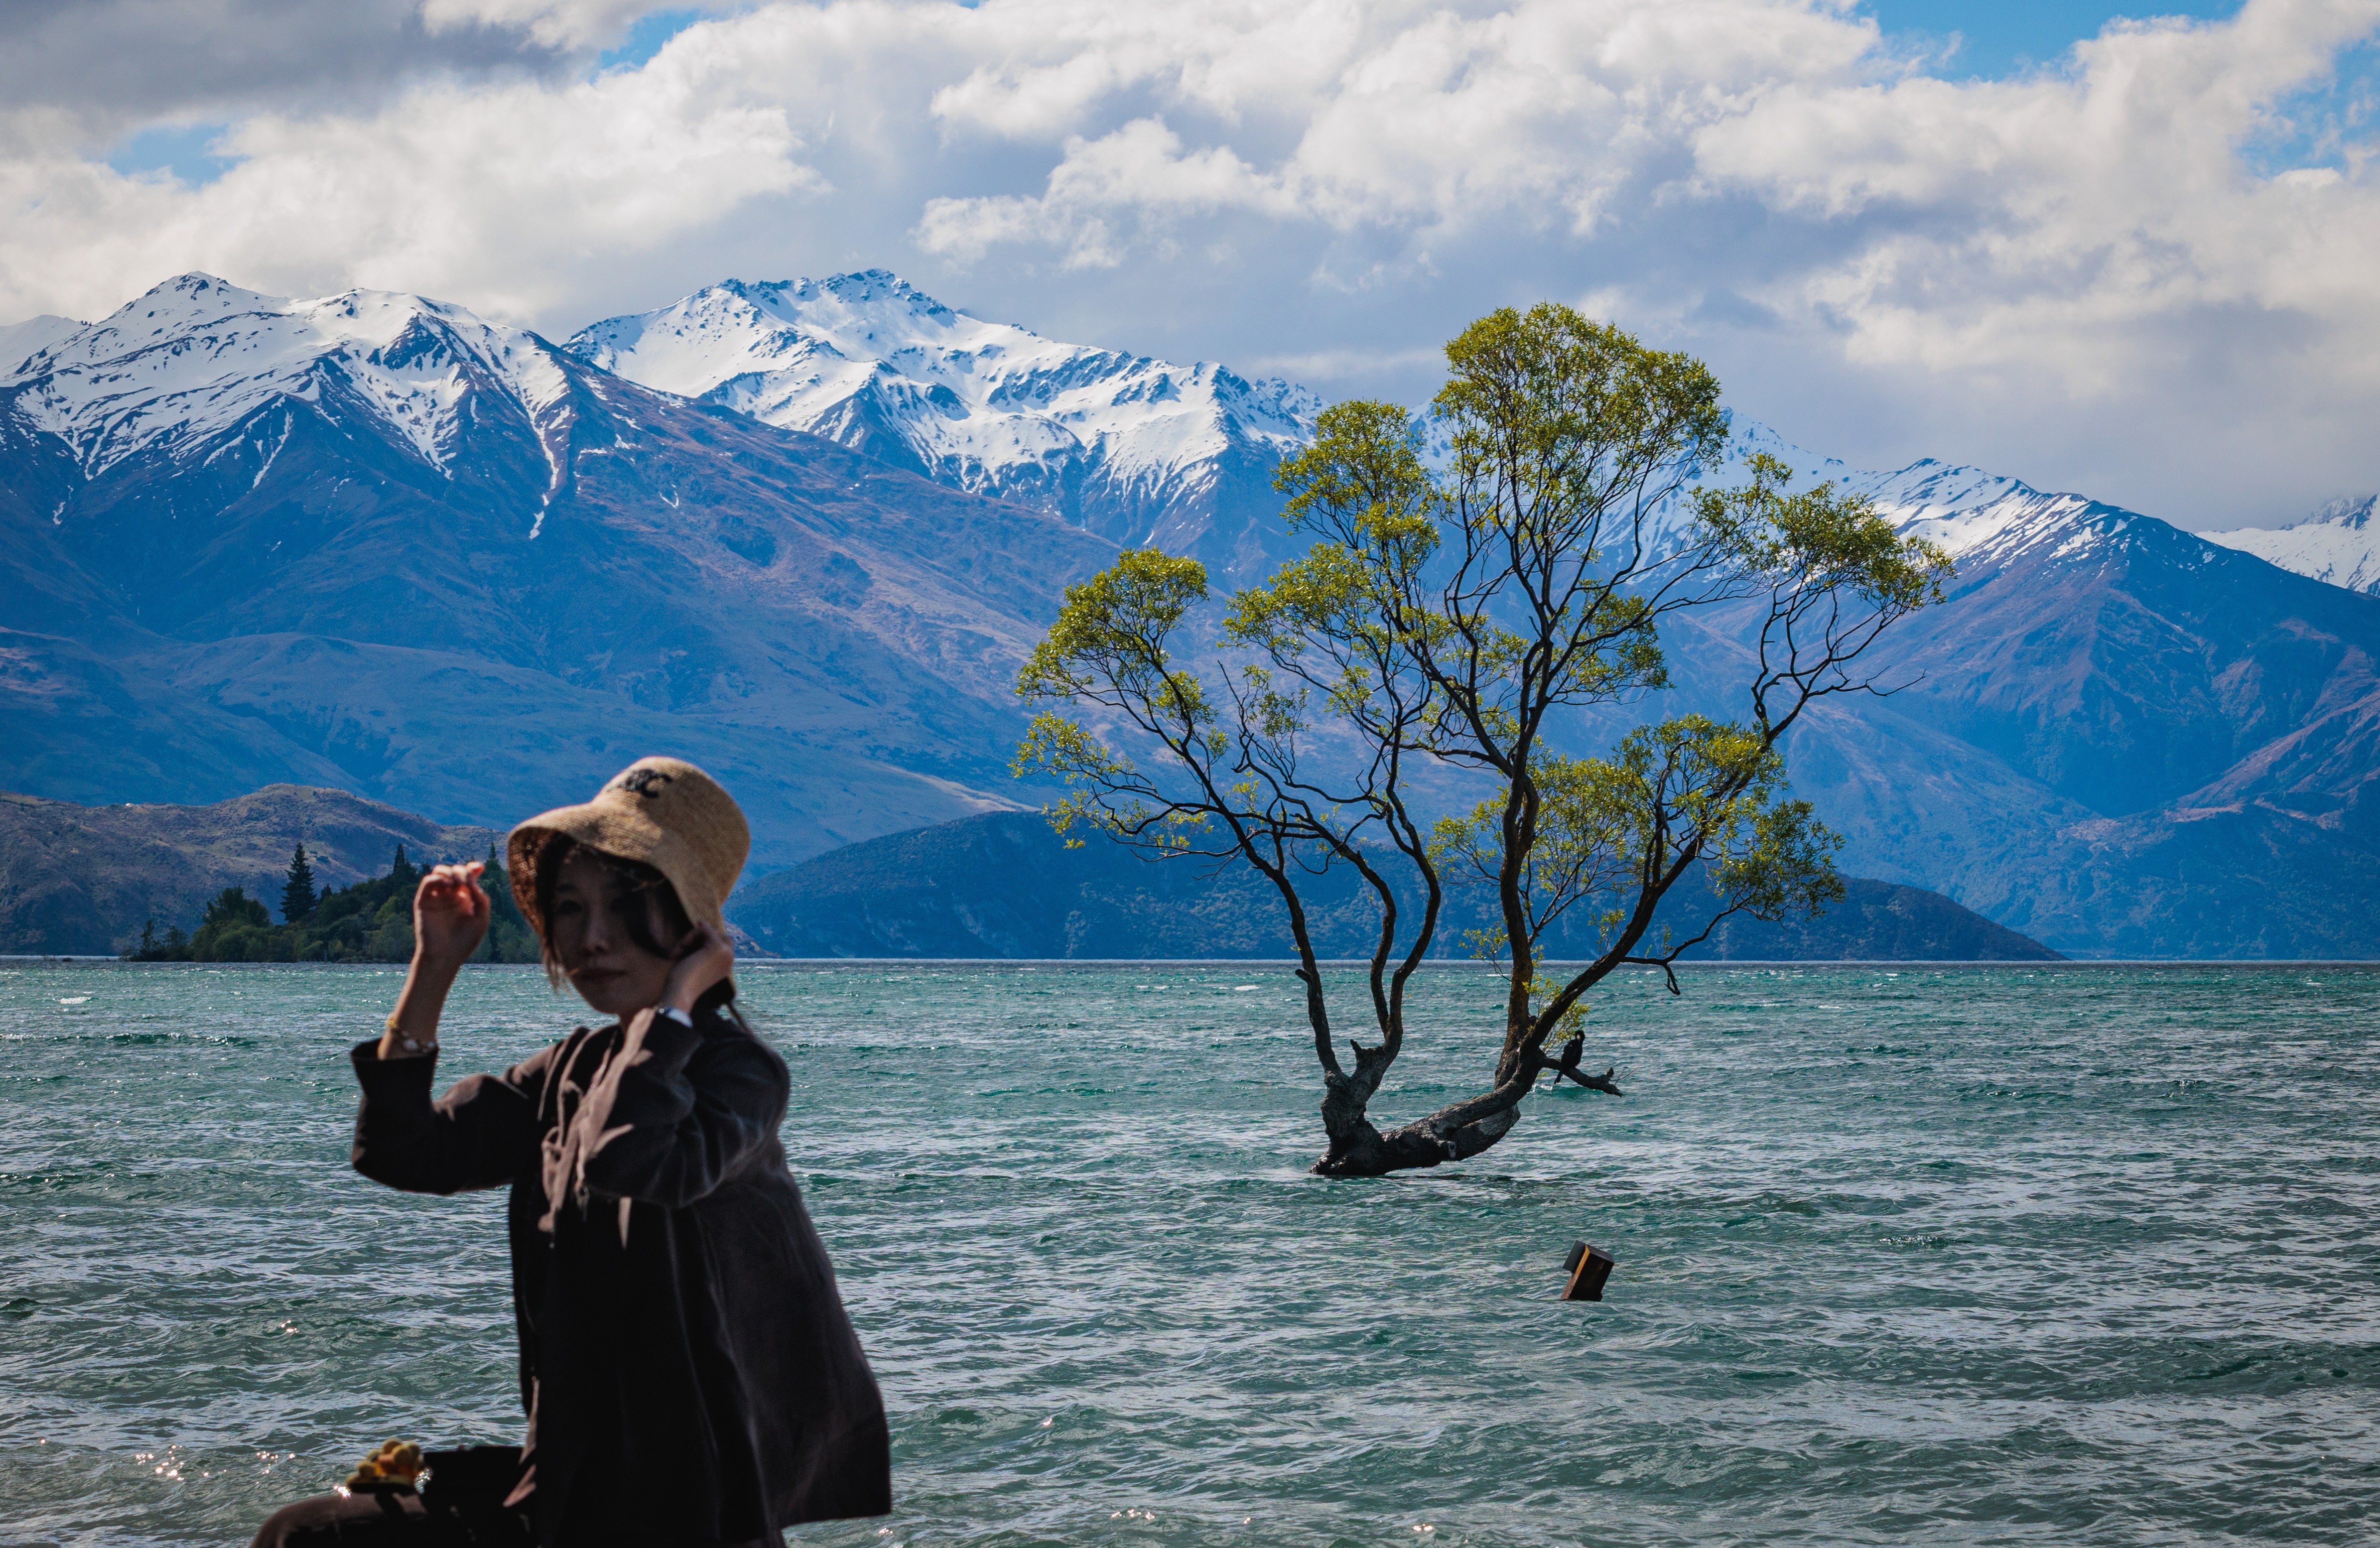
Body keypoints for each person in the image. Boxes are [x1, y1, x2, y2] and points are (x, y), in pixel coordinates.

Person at [253, 757, 889, 1547]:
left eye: (625, 908)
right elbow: (400, 1152)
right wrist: (435, 965)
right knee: (309, 1531)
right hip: (572, 1477)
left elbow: (634, 1160)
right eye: (568, 909)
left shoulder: (738, 1075)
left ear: (692, 925)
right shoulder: (568, 1071)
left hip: (690, 1499)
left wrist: (679, 1008)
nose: (590, 939)